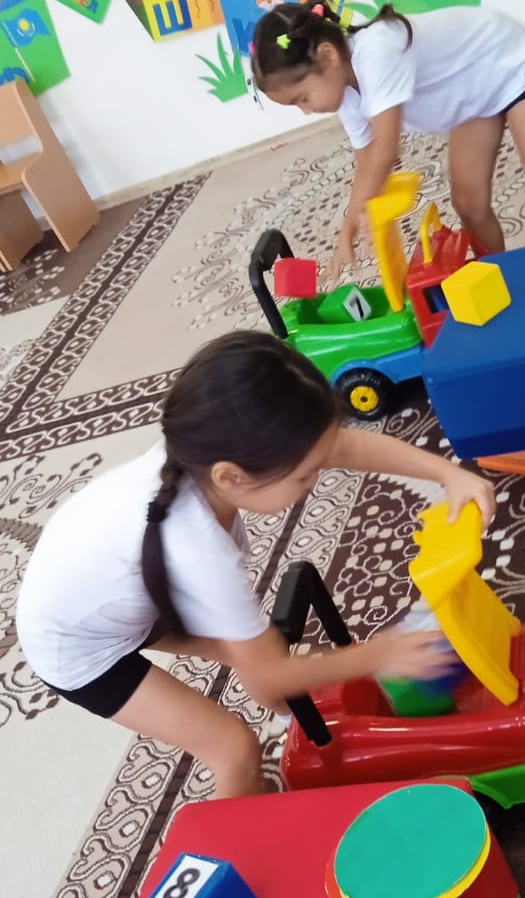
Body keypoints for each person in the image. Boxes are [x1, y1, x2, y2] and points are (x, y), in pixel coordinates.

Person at [16, 332, 496, 800]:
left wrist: (446, 473)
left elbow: (343, 447)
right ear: (231, 476)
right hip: (79, 648)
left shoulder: (204, 446)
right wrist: (381, 654)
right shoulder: (201, 553)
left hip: (112, 592)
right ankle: (247, 837)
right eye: (305, 476)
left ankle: (295, 722)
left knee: (257, 652)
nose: (315, 479)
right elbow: (269, 675)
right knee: (235, 749)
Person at [252, 0, 525, 279]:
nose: (306, 110)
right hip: (471, 96)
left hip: (505, 63)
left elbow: (386, 150)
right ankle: (499, 280)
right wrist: (349, 230)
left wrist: (360, 214)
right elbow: (367, 164)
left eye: (303, 98)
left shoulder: (377, 51)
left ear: (327, 56)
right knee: (469, 205)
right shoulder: (346, 93)